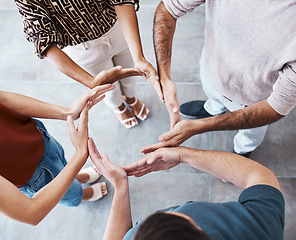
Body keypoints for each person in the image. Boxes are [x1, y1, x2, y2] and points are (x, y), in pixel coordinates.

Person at [148, 0, 296, 156]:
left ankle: (242, 150)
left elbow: (276, 107)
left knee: (250, 134)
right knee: (213, 96)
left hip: (254, 102)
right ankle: (212, 110)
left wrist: (199, 127)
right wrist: (165, 78)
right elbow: (167, 10)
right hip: (211, 71)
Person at [88, 139, 285, 240]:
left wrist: (121, 187)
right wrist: (184, 155)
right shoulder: (256, 231)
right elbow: (261, 178)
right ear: (200, 231)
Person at [14, 0, 163, 128]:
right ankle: (119, 106)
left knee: (131, 74)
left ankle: (131, 98)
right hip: (83, 48)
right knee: (107, 88)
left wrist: (139, 58)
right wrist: (92, 82)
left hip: (118, 27)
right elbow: (43, 39)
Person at [0, 82, 114, 225]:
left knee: (62, 163)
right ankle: (82, 195)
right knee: (70, 193)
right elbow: (31, 213)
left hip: (37, 137)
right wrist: (80, 154)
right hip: (30, 176)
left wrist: (67, 112)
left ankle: (77, 177)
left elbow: (2, 99)